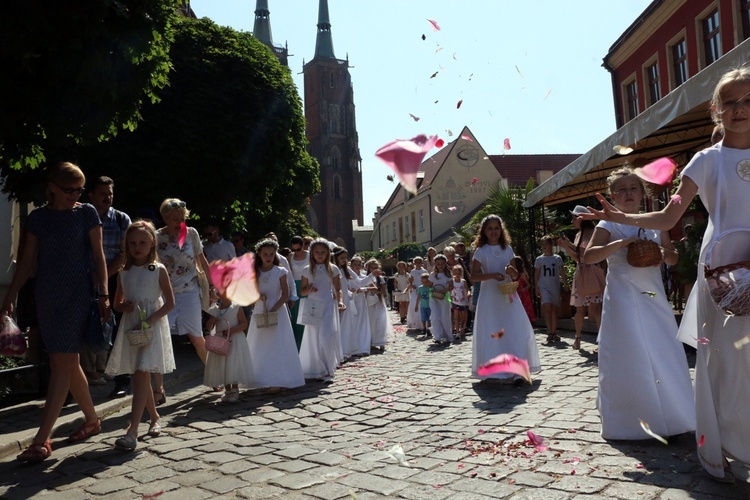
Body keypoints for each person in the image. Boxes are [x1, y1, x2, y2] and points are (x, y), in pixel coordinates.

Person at [581, 68, 750, 482]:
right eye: (730, 102)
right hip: (724, 269)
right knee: (726, 361)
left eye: (748, 100)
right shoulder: (705, 159)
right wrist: (621, 218)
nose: (740, 109)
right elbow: (671, 214)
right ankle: (727, 445)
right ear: (716, 110)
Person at [3, 162, 109, 462]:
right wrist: (9, 297)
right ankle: (91, 420)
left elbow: (99, 257)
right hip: (47, 296)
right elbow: (26, 263)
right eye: (69, 190)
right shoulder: (38, 218)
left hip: (78, 295)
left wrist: (103, 294)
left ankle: (41, 439)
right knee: (65, 360)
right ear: (52, 188)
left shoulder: (86, 213)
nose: (75, 195)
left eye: (79, 189)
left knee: (61, 362)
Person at [582, 166, 695, 445]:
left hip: (653, 296)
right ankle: (630, 420)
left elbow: (673, 257)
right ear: (612, 195)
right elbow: (588, 256)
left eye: (633, 188)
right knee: (629, 351)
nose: (628, 193)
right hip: (621, 297)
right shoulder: (607, 224)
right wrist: (621, 243)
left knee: (663, 350)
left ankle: (675, 415)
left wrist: (661, 254)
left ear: (642, 194)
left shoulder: (656, 221)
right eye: (622, 189)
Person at [105, 221, 175, 450]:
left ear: (152, 242)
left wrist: (151, 319)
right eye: (133, 243)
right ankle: (154, 417)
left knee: (142, 373)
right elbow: (117, 303)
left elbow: (170, 303)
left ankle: (132, 431)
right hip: (133, 328)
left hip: (152, 327)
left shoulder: (157, 269)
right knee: (139, 375)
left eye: (142, 242)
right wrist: (126, 307)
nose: (137, 247)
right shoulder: (124, 272)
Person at [156, 198, 215, 403]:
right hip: (166, 293)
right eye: (173, 219)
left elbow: (202, 260)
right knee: (161, 339)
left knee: (197, 337)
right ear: (164, 218)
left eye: (181, 218)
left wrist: (212, 285)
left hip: (190, 291)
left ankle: (214, 375)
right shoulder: (156, 237)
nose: (178, 222)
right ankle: (158, 389)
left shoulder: (191, 233)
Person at [471, 215, 541, 386]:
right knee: (492, 330)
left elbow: (516, 275)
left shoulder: (507, 249)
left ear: (501, 230)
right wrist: (491, 275)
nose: (494, 232)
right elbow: (473, 277)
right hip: (490, 297)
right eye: (490, 228)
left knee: (514, 329)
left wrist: (511, 271)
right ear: (484, 231)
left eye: (496, 228)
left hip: (507, 296)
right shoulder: (481, 251)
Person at [83, 176, 132, 397]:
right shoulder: (81, 216)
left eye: (110, 193)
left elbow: (124, 254)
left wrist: (103, 278)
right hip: (83, 276)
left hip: (114, 278)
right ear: (91, 195)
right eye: (103, 193)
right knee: (80, 325)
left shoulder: (121, 219)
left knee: (118, 327)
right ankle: (77, 380)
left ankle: (122, 379)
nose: (107, 197)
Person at [246, 239, 304, 392]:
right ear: (259, 254)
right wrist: (258, 296)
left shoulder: (280, 271)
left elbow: (285, 294)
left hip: (277, 310)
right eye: (265, 254)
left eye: (271, 254)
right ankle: (260, 377)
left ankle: (278, 379)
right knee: (261, 343)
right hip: (260, 308)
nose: (268, 257)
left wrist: (274, 308)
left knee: (277, 344)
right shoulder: (255, 272)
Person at [298, 239, 345, 382]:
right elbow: (302, 291)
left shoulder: (333, 268)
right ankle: (317, 368)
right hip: (312, 306)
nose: (320, 255)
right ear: (312, 253)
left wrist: (340, 301)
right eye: (317, 252)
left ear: (328, 253)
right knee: (313, 338)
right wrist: (309, 289)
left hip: (327, 305)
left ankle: (329, 369)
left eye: (323, 252)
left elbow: (338, 289)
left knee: (326, 337)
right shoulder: (307, 269)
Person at [559, 207, 604, 350]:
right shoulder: (579, 235)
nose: (572, 221)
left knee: (596, 309)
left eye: (574, 218)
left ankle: (601, 341)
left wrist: (569, 246)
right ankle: (577, 338)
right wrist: (567, 247)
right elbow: (578, 258)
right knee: (580, 309)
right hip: (582, 272)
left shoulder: (593, 233)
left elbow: (588, 253)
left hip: (592, 272)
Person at [203, 289, 251, 403]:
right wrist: (213, 320)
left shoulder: (236, 307)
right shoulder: (215, 309)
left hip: (234, 339)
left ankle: (234, 389)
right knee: (223, 365)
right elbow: (208, 326)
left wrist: (233, 330)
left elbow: (244, 323)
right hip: (221, 341)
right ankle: (227, 390)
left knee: (232, 364)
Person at [534, 235, 568, 344]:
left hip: (554, 285)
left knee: (554, 309)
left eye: (546, 244)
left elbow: (562, 272)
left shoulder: (557, 258)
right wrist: (536, 286)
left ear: (551, 245)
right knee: (547, 308)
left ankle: (554, 331)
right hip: (544, 286)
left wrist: (566, 283)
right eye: (542, 244)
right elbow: (537, 273)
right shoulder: (539, 259)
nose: (544, 246)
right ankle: (549, 332)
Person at [348, 255, 373, 357]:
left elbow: (371, 287)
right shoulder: (349, 276)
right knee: (353, 322)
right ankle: (353, 346)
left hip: (361, 300)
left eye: (359, 264)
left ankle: (363, 346)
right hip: (351, 300)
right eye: (355, 264)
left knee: (362, 321)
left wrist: (363, 290)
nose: (357, 266)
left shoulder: (363, 276)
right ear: (351, 265)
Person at [365, 259, 392, 351]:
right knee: (371, 322)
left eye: (375, 267)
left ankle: (381, 340)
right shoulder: (366, 278)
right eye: (372, 268)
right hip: (368, 302)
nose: (374, 269)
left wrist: (375, 291)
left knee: (380, 321)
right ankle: (372, 341)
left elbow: (383, 291)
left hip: (378, 301)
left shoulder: (380, 278)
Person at [427, 254, 454, 345]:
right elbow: (429, 286)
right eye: (438, 264)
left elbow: (451, 286)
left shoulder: (448, 275)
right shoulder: (432, 275)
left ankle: (447, 335)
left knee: (444, 316)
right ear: (435, 264)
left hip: (444, 298)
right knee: (435, 316)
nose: (440, 266)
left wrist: (444, 290)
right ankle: (437, 336)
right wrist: (432, 290)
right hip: (434, 299)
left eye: (442, 264)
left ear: (445, 264)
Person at [287, 236, 309, 350]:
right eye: (294, 249)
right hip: (295, 287)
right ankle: (297, 345)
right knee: (295, 317)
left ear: (303, 246)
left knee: (306, 315)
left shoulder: (310, 255)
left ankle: (306, 345)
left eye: (298, 249)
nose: (296, 252)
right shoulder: (290, 257)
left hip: (306, 286)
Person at [512, 257, 536, 323]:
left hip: (523, 295)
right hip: (515, 294)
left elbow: (528, 285)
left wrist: (523, 289)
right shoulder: (511, 275)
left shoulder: (522, 275)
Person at [450, 264, 470, 339]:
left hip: (463, 301)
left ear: (461, 273)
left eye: (459, 273)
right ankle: (457, 331)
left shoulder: (463, 281)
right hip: (455, 301)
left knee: (463, 317)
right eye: (455, 273)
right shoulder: (452, 281)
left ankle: (462, 328)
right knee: (456, 317)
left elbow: (467, 289)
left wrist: (468, 293)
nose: (457, 275)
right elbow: (450, 290)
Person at [406, 256, 426, 330]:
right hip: (415, 289)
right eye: (416, 262)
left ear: (421, 263)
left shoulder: (424, 271)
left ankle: (422, 323)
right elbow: (411, 280)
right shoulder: (412, 271)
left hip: (422, 287)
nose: (418, 264)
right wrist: (412, 285)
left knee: (422, 304)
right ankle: (415, 322)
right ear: (414, 263)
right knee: (414, 304)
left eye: (419, 262)